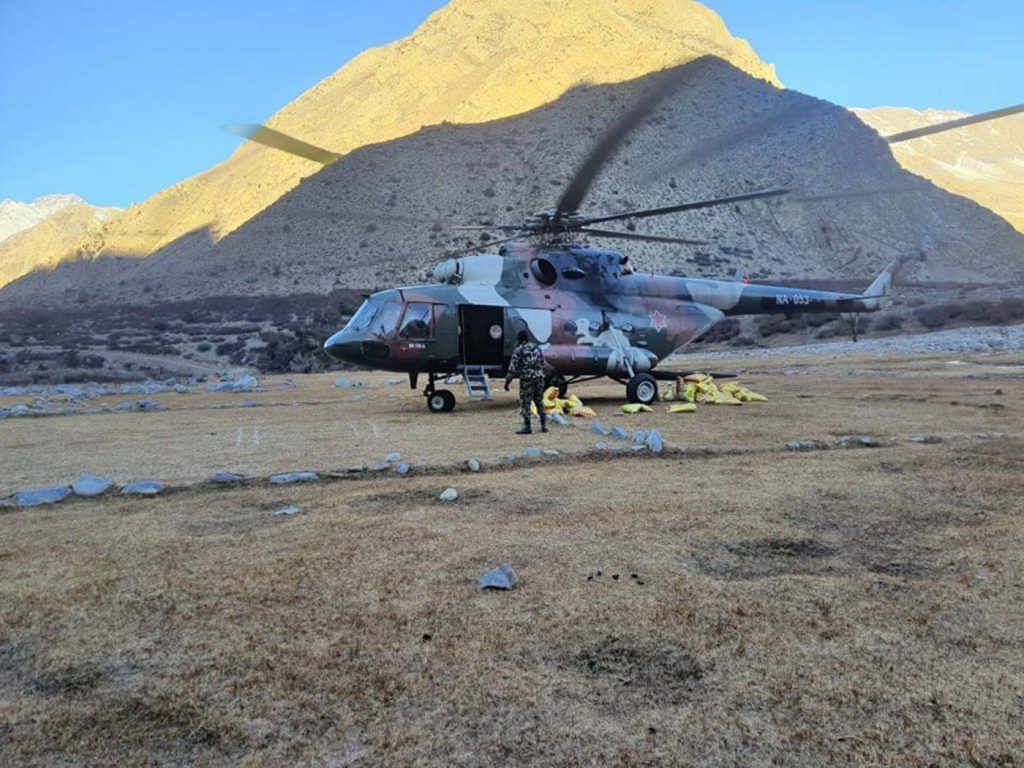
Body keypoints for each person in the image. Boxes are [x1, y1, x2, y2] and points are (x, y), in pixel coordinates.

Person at [504, 329, 547, 435]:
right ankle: (543, 425)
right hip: (539, 377)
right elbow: (543, 363)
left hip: (527, 379)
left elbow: (512, 369)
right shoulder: (537, 348)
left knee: (525, 402)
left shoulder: (519, 350)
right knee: (539, 400)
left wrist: (507, 382)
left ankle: (527, 427)